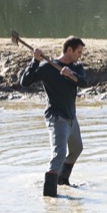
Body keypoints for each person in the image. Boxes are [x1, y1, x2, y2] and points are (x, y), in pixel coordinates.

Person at [19, 36, 88, 197]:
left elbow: (84, 82)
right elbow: (25, 82)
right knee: (59, 155)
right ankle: (50, 197)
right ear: (69, 50)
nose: (80, 55)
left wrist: (71, 75)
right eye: (78, 52)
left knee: (77, 149)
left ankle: (62, 180)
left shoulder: (76, 67)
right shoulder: (47, 67)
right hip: (57, 118)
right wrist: (34, 61)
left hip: (72, 117)